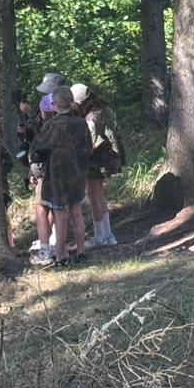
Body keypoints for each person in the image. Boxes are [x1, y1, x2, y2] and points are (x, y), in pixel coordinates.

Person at [29, 85, 91, 265]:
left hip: (58, 175)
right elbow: (89, 146)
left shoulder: (52, 125)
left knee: (61, 216)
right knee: (77, 213)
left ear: (55, 104)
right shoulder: (81, 123)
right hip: (78, 172)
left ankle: (61, 256)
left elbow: (37, 148)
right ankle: (81, 252)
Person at [72, 83, 124, 248]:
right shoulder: (105, 109)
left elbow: (91, 142)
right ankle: (107, 235)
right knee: (99, 196)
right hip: (108, 157)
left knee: (94, 196)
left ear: (80, 102)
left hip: (96, 160)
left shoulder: (91, 118)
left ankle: (100, 236)